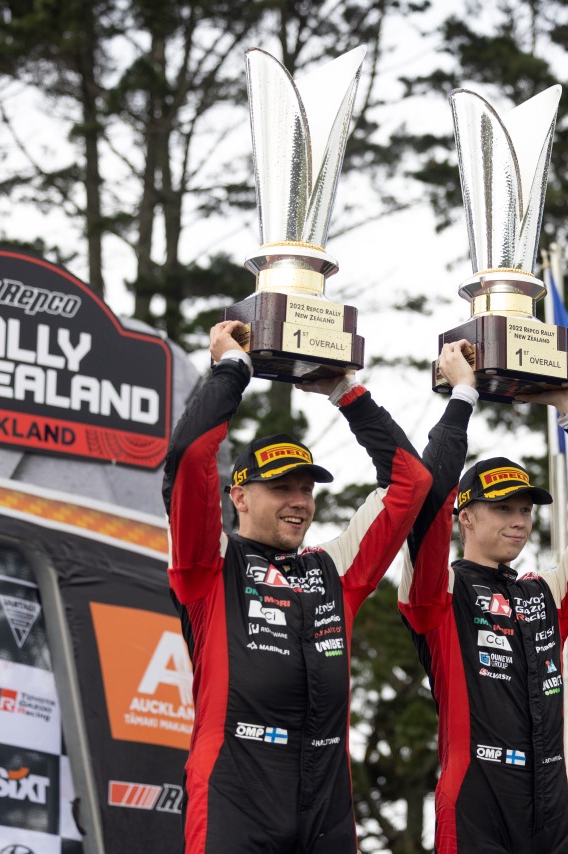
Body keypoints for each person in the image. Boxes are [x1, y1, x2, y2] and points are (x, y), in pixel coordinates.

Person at [163, 319, 431, 853]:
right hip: (237, 789)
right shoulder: (209, 563)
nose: (299, 502)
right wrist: (231, 369)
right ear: (239, 497)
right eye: (281, 488)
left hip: (325, 797)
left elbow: (411, 481)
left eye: (306, 489)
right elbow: (190, 458)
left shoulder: (334, 568)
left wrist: (346, 392)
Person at [399, 340, 568, 853]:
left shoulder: (546, 594)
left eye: (525, 509)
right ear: (466, 517)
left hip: (550, 800)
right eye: (503, 508)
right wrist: (463, 396)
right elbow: (427, 502)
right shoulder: (439, 592)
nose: (520, 521)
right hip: (477, 796)